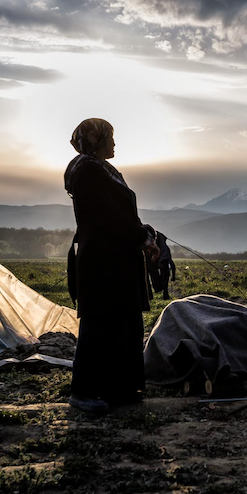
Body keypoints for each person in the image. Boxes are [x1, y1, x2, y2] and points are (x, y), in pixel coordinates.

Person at [64, 118, 159, 413]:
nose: (115, 144)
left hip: (115, 262)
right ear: (96, 140)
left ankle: (120, 387)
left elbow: (121, 215)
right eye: (110, 138)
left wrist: (145, 234)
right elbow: (109, 218)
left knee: (123, 323)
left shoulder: (99, 170)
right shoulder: (89, 172)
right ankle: (83, 391)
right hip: (103, 264)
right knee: (99, 325)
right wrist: (141, 237)